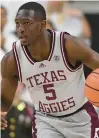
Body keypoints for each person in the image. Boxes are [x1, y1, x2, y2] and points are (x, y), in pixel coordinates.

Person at [1, 2, 99, 138]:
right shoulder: (11, 60)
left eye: (27, 23)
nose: (20, 29)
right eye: (17, 23)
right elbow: (5, 100)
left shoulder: (69, 45)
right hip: (46, 121)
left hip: (80, 117)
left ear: (42, 25)